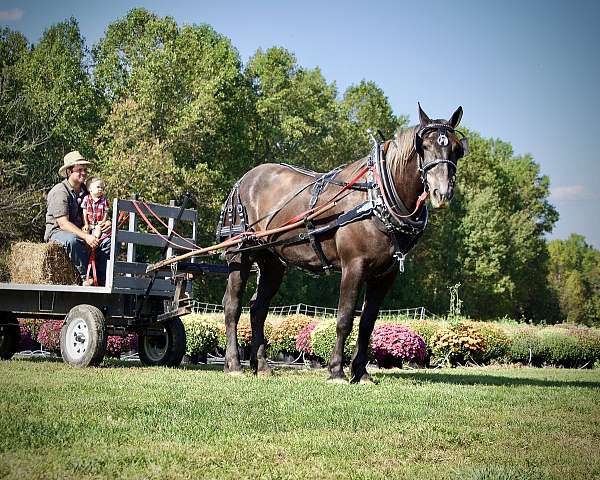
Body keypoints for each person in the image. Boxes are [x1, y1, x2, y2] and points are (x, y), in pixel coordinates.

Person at [44, 151, 111, 286]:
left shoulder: (87, 192)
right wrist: (86, 237)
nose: (84, 173)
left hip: (84, 231)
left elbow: (99, 212)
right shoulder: (60, 192)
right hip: (57, 232)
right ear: (69, 172)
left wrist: (107, 222)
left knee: (107, 242)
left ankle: (104, 280)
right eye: (79, 170)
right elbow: (63, 224)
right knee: (73, 240)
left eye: (85, 170)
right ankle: (86, 277)